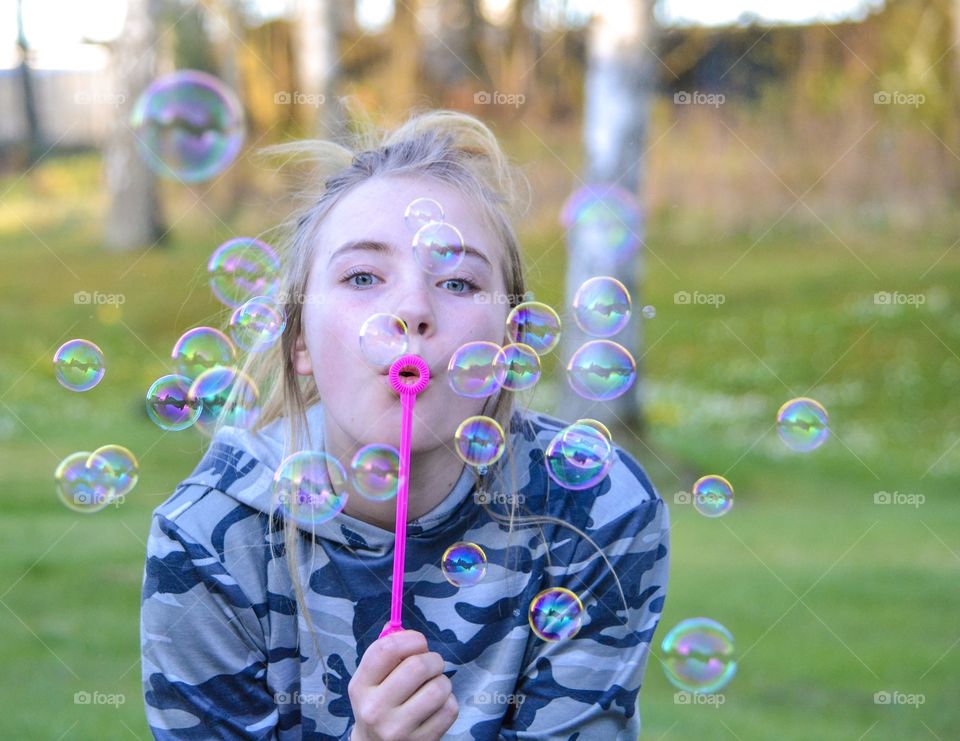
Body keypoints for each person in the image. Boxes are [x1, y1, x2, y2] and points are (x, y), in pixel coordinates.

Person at [140, 109, 670, 741]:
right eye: (363, 276)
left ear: (511, 337)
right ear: (298, 339)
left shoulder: (594, 506)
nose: (413, 310)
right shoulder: (208, 537)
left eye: (457, 280)